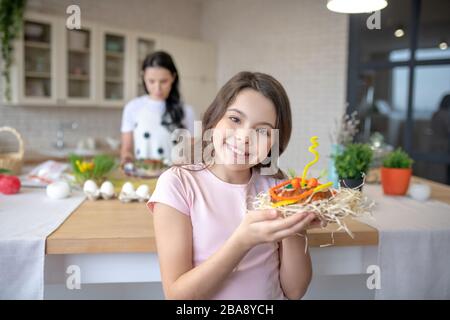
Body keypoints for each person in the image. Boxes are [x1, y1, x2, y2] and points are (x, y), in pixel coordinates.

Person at [147, 71, 319, 300]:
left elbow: (295, 290)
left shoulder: (278, 187)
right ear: (215, 117)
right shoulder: (178, 184)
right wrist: (243, 241)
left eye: (262, 131)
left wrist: (296, 222)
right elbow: (178, 297)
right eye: (235, 119)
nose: (244, 137)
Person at [120, 51, 195, 165]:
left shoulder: (186, 111)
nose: (157, 88)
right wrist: (126, 158)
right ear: (143, 77)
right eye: (151, 81)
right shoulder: (132, 108)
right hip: (143, 175)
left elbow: (192, 152)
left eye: (163, 81)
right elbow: (126, 149)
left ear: (173, 78)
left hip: (174, 178)